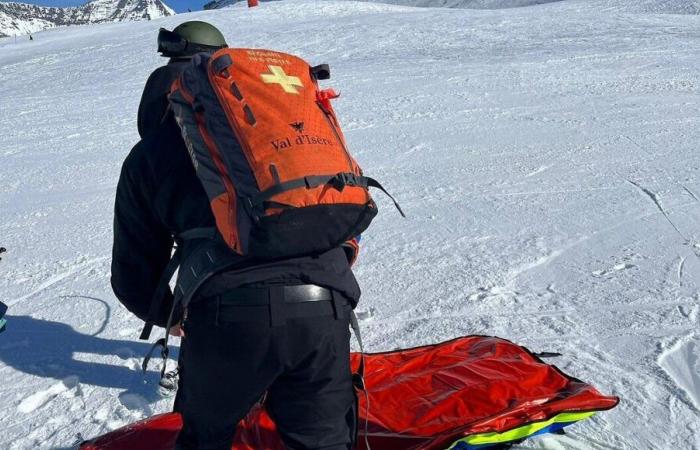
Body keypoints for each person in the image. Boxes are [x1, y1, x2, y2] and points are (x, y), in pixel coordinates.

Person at [111, 21, 360, 450]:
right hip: (326, 302)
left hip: (226, 314)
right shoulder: (274, 129)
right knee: (324, 441)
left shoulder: (149, 154)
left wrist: (173, 315)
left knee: (206, 439)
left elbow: (133, 275)